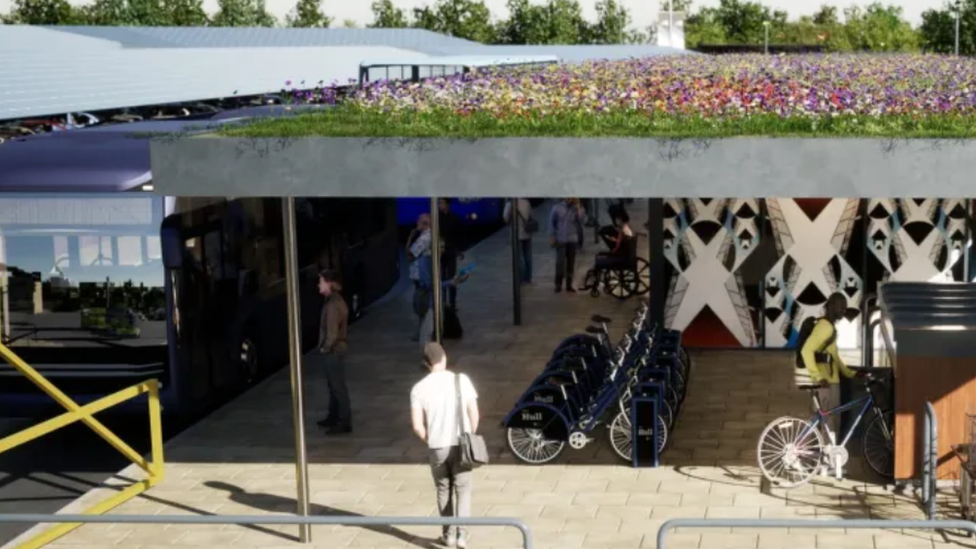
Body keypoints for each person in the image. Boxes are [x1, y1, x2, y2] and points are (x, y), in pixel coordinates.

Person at [410, 342, 480, 549]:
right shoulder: (462, 380)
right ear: (445, 358)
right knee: (463, 490)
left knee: (443, 490)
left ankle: (447, 535)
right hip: (460, 443)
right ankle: (462, 536)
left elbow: (417, 426)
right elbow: (474, 413)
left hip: (437, 446)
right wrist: (470, 434)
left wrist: (429, 439)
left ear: (426, 363)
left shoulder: (419, 388)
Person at [800, 292, 860, 436]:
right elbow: (806, 350)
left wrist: (851, 373)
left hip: (829, 381)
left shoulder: (828, 327)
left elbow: (834, 358)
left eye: (845, 308)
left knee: (823, 421)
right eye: (841, 307)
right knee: (829, 422)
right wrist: (818, 377)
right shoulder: (825, 327)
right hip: (826, 383)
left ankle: (818, 453)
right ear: (832, 306)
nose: (843, 311)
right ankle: (827, 456)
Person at [315, 269, 351, 435]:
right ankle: (334, 416)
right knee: (333, 385)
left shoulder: (332, 305)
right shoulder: (334, 302)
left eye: (321, 281)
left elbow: (332, 333)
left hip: (334, 351)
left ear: (329, 283)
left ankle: (343, 421)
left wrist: (325, 348)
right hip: (336, 350)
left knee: (337, 387)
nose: (318, 285)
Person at [549, 198, 585, 293]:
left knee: (571, 263)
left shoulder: (576, 208)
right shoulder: (556, 208)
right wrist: (552, 236)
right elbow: (551, 223)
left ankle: (569, 284)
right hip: (561, 239)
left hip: (572, 239)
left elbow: (582, 221)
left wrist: (578, 207)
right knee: (560, 263)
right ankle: (558, 284)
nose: (570, 199)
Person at [407, 214, 432, 341]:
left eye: (419, 221)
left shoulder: (424, 238)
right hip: (422, 274)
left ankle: (423, 331)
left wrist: (411, 236)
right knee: (423, 303)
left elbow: (410, 254)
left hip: (420, 275)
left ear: (425, 224)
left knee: (421, 304)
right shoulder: (427, 236)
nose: (417, 223)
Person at [438, 199, 464, 310]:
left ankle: (452, 304)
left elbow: (460, 235)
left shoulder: (455, 218)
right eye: (439, 203)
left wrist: (460, 250)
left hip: (451, 251)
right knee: (441, 278)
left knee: (452, 277)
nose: (439, 205)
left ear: (448, 205)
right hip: (440, 253)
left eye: (442, 203)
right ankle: (442, 303)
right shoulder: (436, 219)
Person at [502, 198, 534, 284]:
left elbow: (505, 218)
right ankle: (528, 278)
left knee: (519, 258)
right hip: (527, 234)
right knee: (528, 257)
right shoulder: (526, 202)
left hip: (516, 235)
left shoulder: (510, 204)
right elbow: (531, 216)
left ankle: (522, 279)